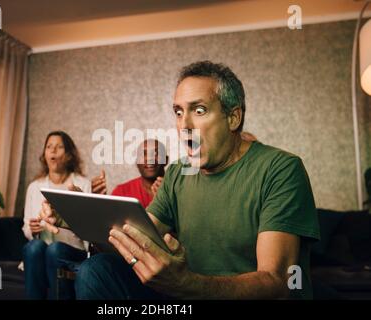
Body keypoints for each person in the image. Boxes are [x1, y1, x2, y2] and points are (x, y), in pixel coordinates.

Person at [74, 61, 320, 300]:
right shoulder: (179, 171)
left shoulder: (281, 168)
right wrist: (76, 217)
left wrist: (187, 285)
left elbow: (276, 282)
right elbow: (137, 236)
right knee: (96, 270)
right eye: (178, 112)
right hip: (185, 295)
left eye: (199, 110)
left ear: (233, 118)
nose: (184, 125)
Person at [22, 131, 91, 300]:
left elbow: (89, 229)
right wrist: (33, 229)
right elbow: (26, 228)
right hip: (42, 248)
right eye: (49, 147)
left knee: (54, 250)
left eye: (59, 147)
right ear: (44, 155)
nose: (53, 151)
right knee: (33, 247)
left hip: (73, 249)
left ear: (68, 155)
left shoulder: (82, 184)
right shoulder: (34, 187)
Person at [91, 139, 168, 208]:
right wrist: (99, 203)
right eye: (144, 154)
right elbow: (111, 221)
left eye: (155, 153)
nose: (149, 158)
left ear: (166, 160)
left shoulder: (177, 189)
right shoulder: (122, 192)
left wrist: (167, 201)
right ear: (137, 162)